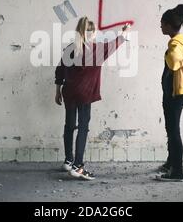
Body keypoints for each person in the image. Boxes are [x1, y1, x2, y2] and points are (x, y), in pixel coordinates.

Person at [55, 17, 130, 180]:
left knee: (69, 126)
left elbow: (60, 70)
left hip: (69, 93)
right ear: (93, 32)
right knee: (83, 128)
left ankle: (68, 160)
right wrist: (124, 33)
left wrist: (57, 90)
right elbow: (115, 44)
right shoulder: (97, 49)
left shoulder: (70, 49)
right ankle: (78, 166)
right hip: (85, 94)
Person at [156, 4, 183, 182]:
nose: (161, 26)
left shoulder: (175, 43)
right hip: (179, 91)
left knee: (173, 131)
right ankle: (171, 163)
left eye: (162, 23)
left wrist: (168, 53)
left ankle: (177, 172)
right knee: (171, 128)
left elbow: (174, 62)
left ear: (170, 25)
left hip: (175, 93)